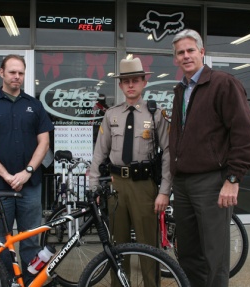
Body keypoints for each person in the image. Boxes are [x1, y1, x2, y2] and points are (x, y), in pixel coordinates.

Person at [170, 29, 250, 287]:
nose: (186, 56)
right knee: (188, 254)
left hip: (211, 183)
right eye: (180, 53)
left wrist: (233, 178)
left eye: (190, 50)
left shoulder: (223, 84)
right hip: (183, 183)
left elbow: (246, 136)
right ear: (175, 59)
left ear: (201, 52)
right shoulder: (181, 91)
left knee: (214, 256)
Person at [0, 54, 54, 285]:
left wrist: (27, 171)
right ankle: (5, 281)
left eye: (20, 73)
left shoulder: (34, 105)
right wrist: (7, 175)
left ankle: (28, 281)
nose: (17, 77)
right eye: (12, 72)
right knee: (1, 240)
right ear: (1, 73)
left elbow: (44, 143)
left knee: (30, 238)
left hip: (30, 186)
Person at [89, 57, 171, 286]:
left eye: (136, 80)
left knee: (148, 246)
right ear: (120, 85)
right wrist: (94, 186)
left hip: (145, 187)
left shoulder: (155, 114)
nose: (131, 85)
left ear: (144, 82)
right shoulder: (111, 114)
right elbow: (99, 153)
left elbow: (168, 153)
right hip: (117, 186)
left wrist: (164, 190)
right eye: (126, 81)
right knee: (118, 245)